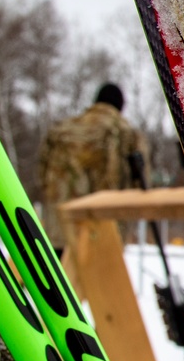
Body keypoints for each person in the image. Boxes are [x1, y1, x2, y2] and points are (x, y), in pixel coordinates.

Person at [37, 82, 149, 256]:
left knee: (60, 281)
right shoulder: (126, 133)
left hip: (59, 231)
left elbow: (42, 176)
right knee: (99, 281)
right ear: (120, 106)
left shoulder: (60, 131)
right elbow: (141, 184)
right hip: (103, 233)